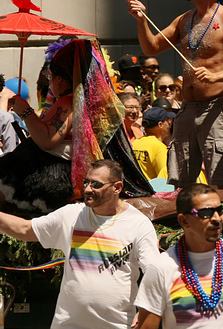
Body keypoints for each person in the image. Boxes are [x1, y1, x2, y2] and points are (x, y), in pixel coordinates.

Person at [127, 0, 223, 188]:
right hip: (187, 109)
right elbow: (151, 47)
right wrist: (141, 20)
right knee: (181, 181)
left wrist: (217, 76)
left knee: (221, 181)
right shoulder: (184, 20)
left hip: (218, 108)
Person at [0, 159, 160, 329]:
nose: (87, 189)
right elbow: (25, 229)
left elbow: (154, 271)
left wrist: (145, 310)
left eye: (96, 184)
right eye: (86, 182)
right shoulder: (72, 215)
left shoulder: (137, 224)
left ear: (117, 187)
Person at [134, 183, 223, 329]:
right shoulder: (162, 268)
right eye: (206, 213)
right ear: (184, 220)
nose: (217, 218)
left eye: (219, 210)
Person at [0, 42, 79, 212]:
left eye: (50, 77)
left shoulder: (68, 101)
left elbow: (47, 140)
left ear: (59, 79)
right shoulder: (72, 100)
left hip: (49, 175)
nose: (50, 83)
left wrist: (26, 111)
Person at [132, 107, 176, 180]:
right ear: (160, 124)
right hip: (151, 190)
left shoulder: (135, 143)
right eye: (167, 121)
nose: (169, 124)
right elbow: (164, 180)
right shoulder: (159, 148)